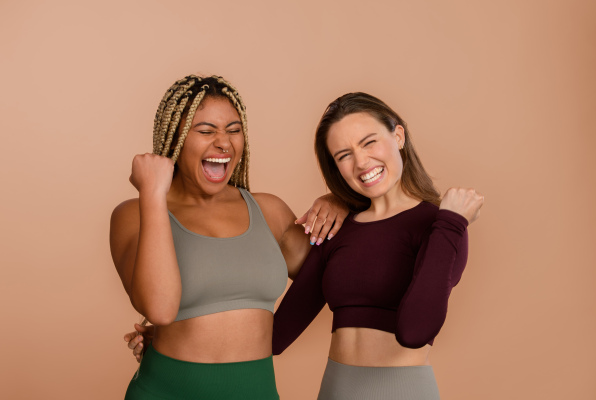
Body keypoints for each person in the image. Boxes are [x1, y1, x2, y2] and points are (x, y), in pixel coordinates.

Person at [111, 75, 348, 400]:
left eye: (234, 130)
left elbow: (344, 276)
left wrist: (343, 200)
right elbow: (161, 309)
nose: (224, 143)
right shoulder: (133, 214)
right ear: (175, 139)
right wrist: (153, 192)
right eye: (206, 131)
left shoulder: (269, 212)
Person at [270, 92, 484, 399]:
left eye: (369, 142)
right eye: (343, 155)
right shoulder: (339, 227)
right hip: (334, 390)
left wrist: (451, 222)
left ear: (398, 135)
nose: (360, 162)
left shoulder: (439, 227)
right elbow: (277, 337)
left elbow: (415, 332)